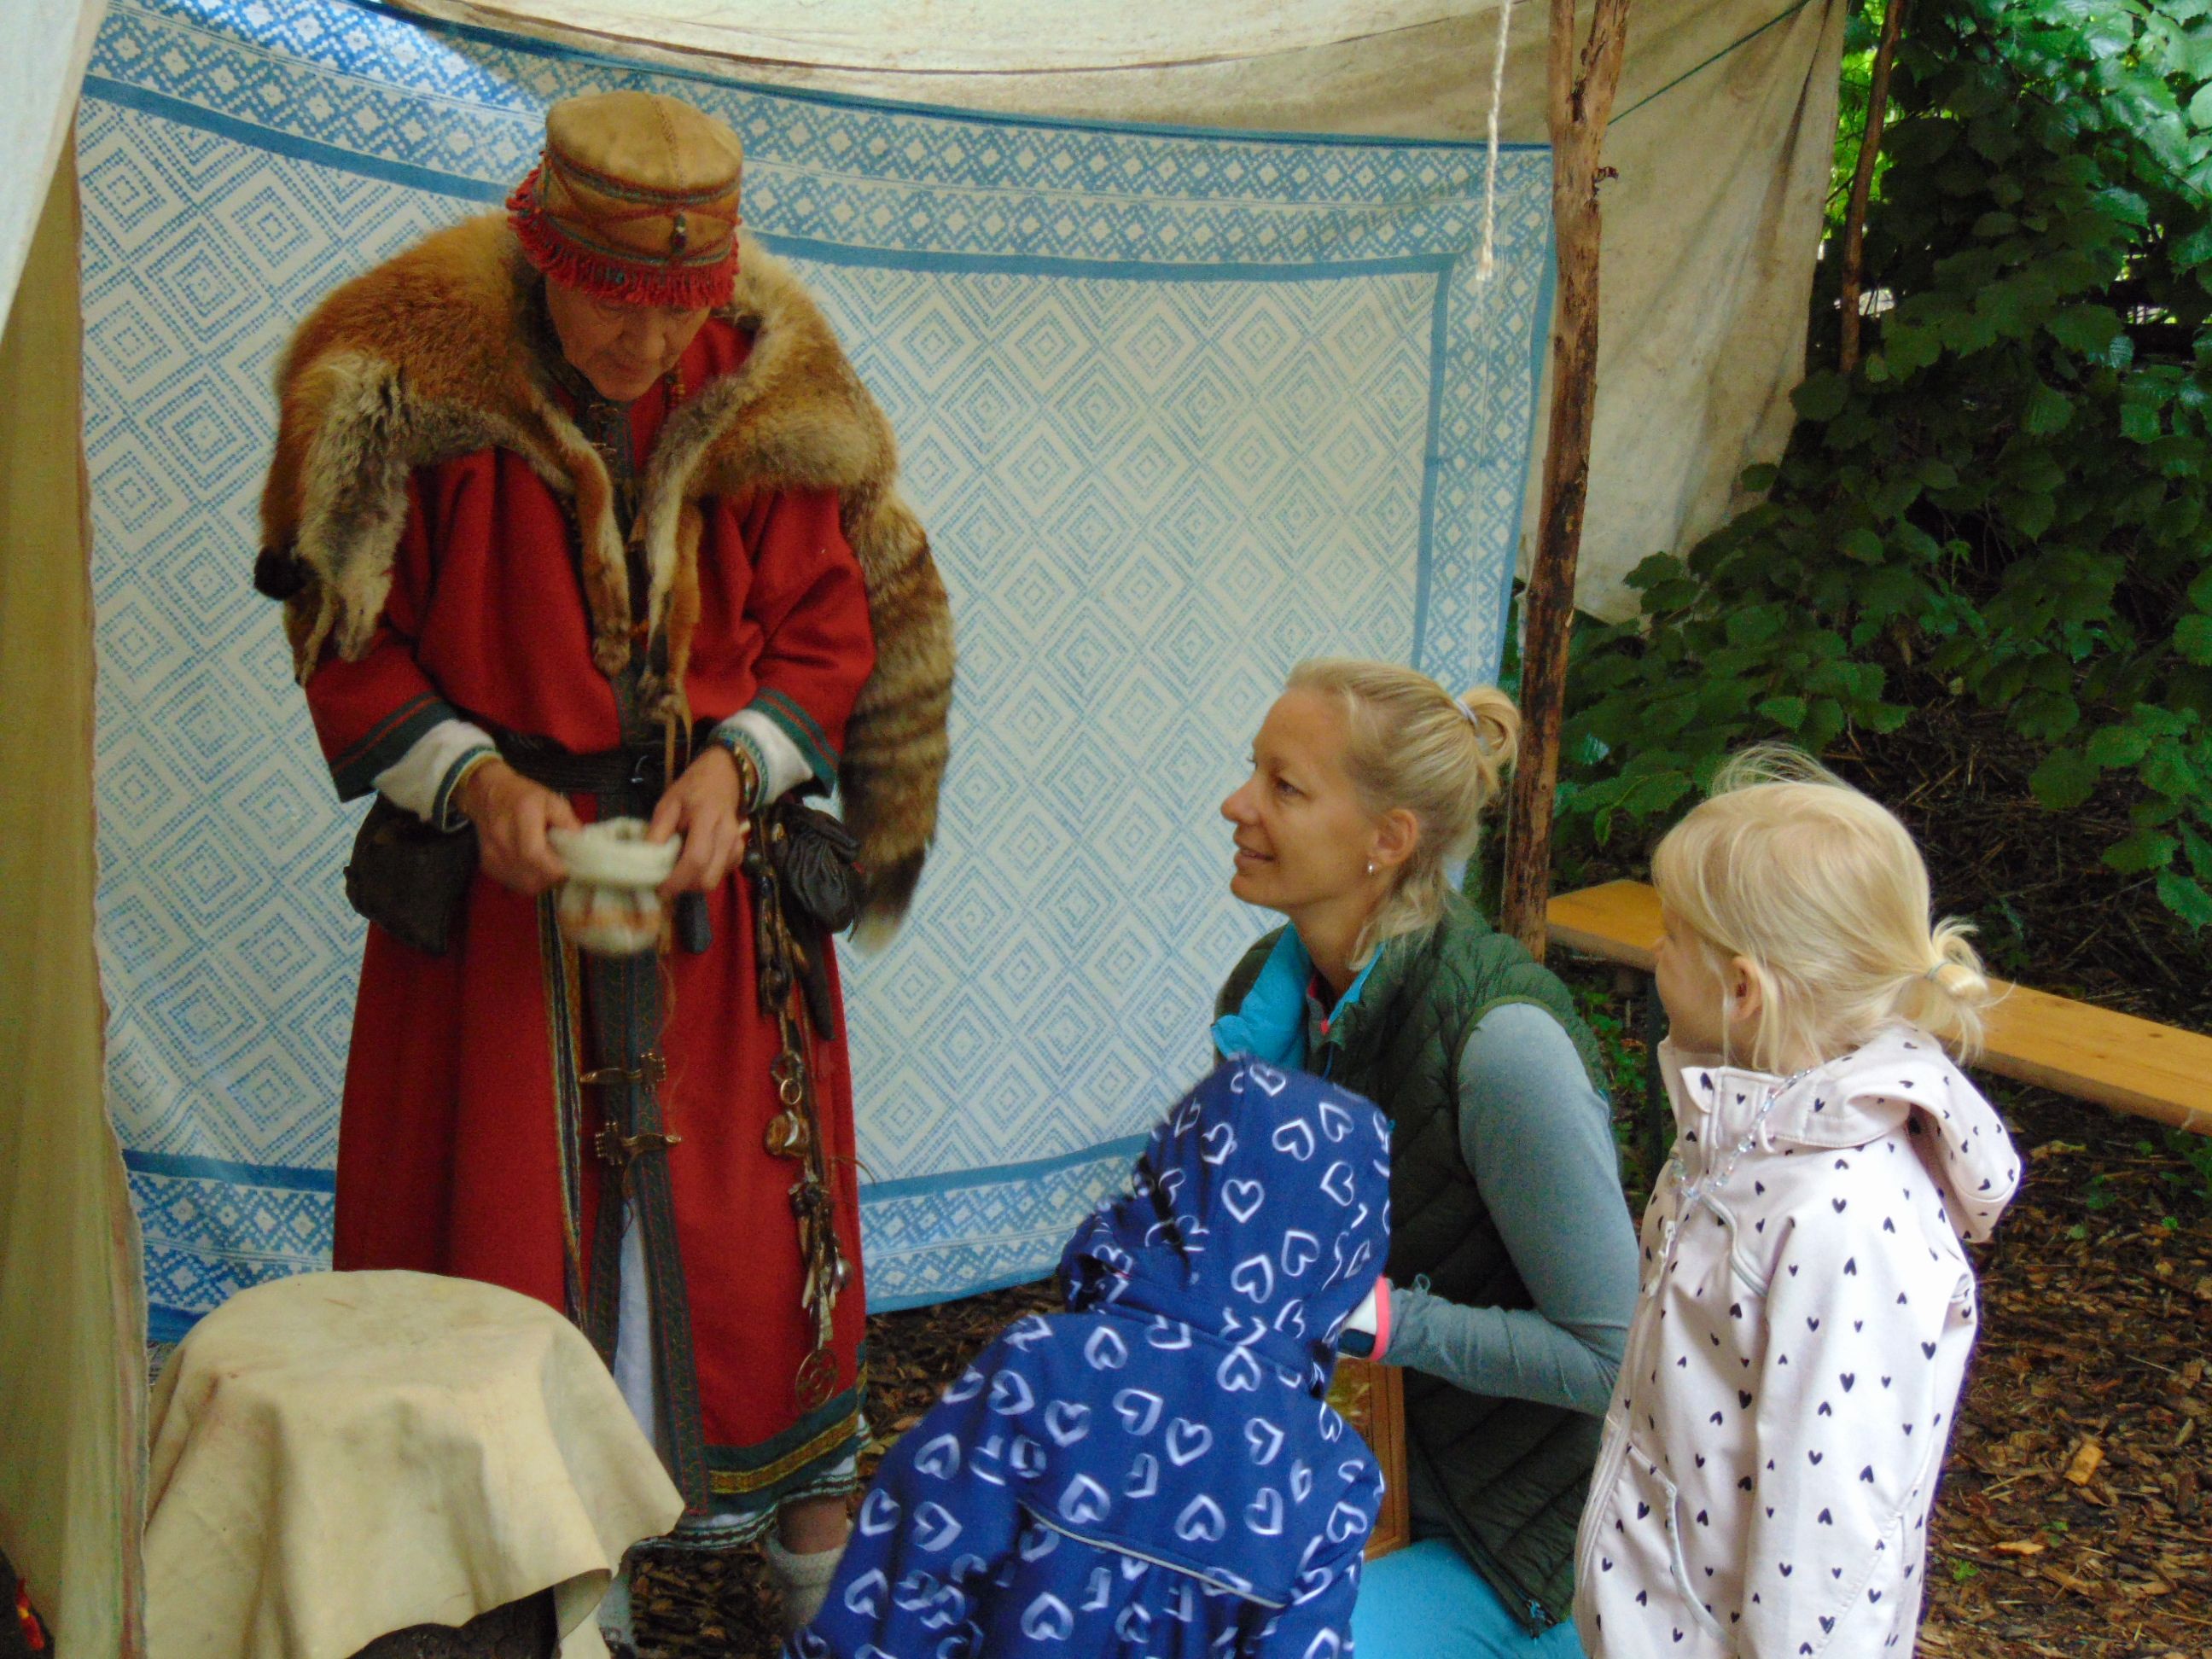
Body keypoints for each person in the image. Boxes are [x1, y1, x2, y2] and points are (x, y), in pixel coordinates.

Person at [252, 90, 952, 1640]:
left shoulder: (761, 384)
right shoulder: (413, 381)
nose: (650, 343)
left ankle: (816, 1577)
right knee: (503, 1245)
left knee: (753, 1242)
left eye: (679, 308)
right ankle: (561, 1586)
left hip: (722, 907)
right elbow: (346, 642)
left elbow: (830, 629)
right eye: (618, 305)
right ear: (544, 255)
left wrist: (739, 761)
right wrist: (477, 781)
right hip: (505, 925)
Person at [1214, 659, 1639, 1656]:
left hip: (1514, 1543)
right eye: (1253, 771)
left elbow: (1614, 1361)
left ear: (1388, 839)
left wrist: (1380, 1320)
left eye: (1284, 787)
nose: (1237, 805)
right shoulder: (1267, 1004)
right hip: (1353, 1481)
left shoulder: (1501, 1047)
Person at [1575, 748, 2018, 1659]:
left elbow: (1829, 1543)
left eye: (1671, 934)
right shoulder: (1741, 1137)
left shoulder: (1842, 1219)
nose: (1654, 951)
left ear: (1742, 989)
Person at [787, 1058, 1394, 1659]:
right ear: (1349, 1256)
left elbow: (895, 1602)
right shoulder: (1332, 1475)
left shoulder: (1037, 1369)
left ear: (1164, 1180)